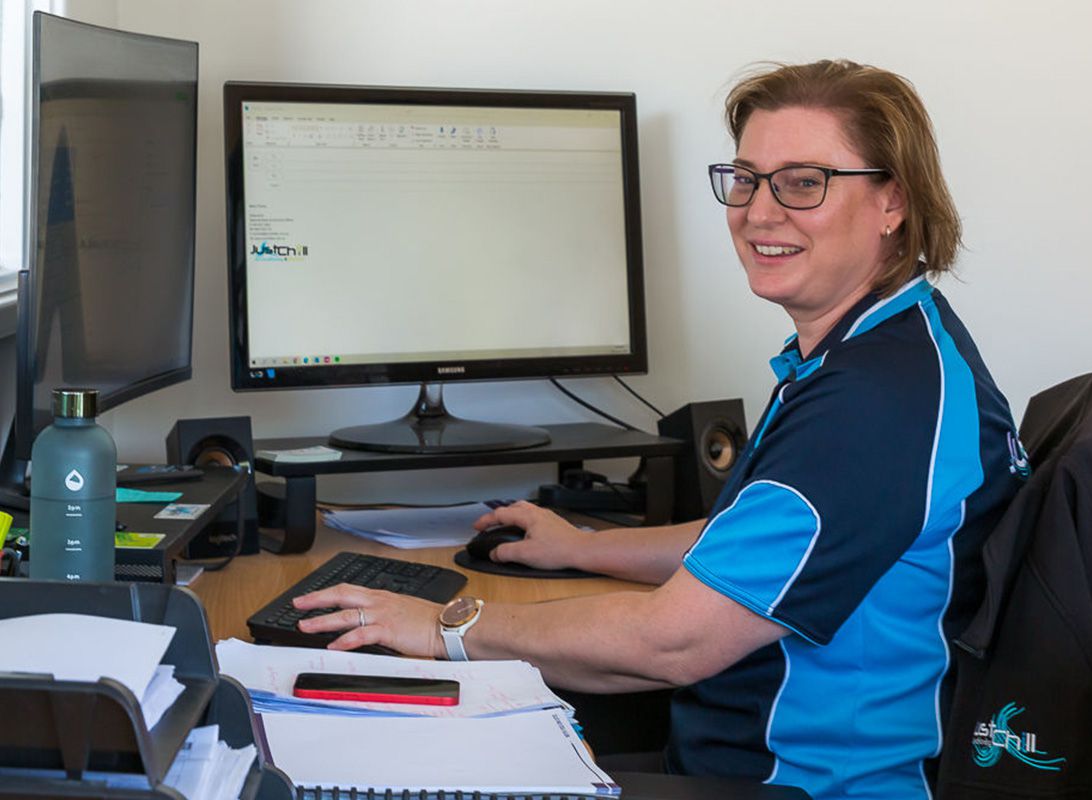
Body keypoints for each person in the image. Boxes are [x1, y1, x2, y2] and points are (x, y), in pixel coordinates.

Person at [294, 59, 1026, 799]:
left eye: (803, 182)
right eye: (746, 179)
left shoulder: (872, 405)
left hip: (795, 786)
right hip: (730, 754)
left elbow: (673, 640)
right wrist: (582, 548)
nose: (758, 212)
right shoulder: (893, 347)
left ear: (893, 200)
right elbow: (751, 546)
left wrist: (447, 626)